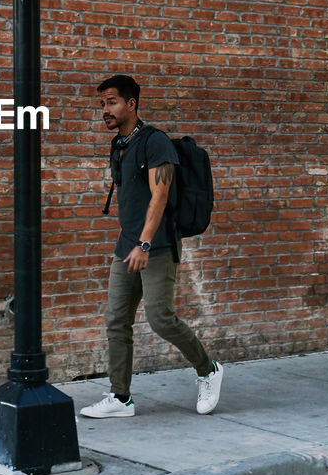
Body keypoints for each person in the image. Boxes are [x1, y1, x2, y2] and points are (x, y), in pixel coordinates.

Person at [80, 75, 223, 419]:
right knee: (116, 320)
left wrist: (144, 242)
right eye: (102, 104)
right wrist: (133, 243)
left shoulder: (155, 142)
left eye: (112, 102)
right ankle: (121, 397)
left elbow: (160, 196)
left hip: (155, 246)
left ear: (131, 104)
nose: (105, 110)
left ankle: (209, 370)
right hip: (127, 246)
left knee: (160, 318)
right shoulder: (121, 144)